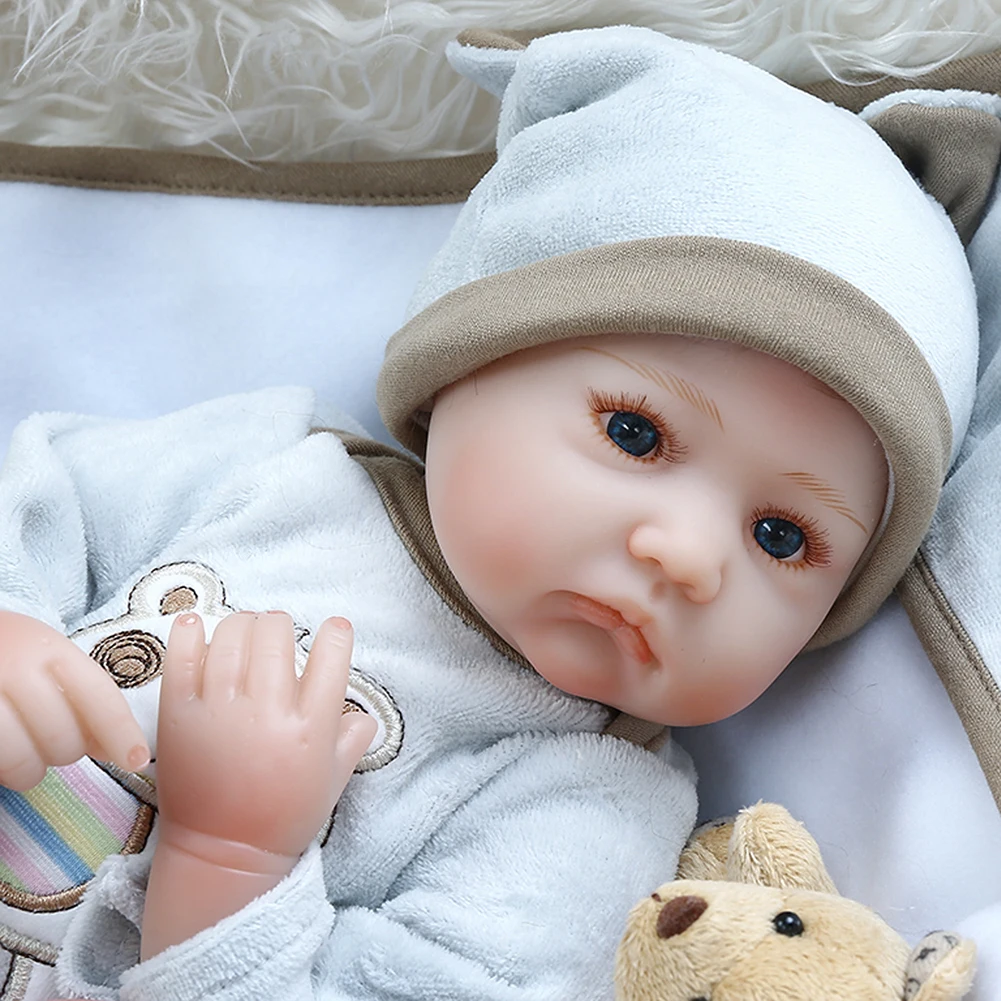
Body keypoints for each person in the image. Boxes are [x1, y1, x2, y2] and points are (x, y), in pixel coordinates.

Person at [0, 24, 983, 1001]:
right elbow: (41, 494)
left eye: (780, 536)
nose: (687, 555)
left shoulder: (587, 810)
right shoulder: (273, 460)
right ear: (464, 363)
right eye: (635, 433)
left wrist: (229, 856)